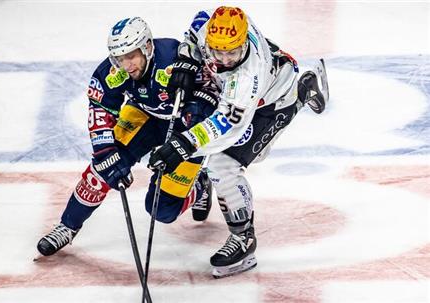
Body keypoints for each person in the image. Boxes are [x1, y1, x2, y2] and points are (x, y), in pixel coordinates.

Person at [149, 6, 329, 278]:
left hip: (270, 101)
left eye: (231, 52)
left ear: (244, 44)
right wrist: (187, 58)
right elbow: (196, 25)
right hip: (237, 86)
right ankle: (202, 181)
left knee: (223, 165)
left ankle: (244, 238)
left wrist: (181, 146)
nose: (223, 58)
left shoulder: (246, 78)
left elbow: (225, 125)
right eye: (217, 51)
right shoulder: (213, 29)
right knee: (202, 132)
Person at [36, 17, 218, 257]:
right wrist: (106, 153)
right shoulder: (113, 72)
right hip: (145, 116)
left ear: (148, 47)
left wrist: (196, 111)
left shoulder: (176, 58)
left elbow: (214, 89)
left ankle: (200, 187)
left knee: (162, 210)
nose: (127, 65)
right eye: (120, 58)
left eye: (131, 56)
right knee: (102, 168)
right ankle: (67, 226)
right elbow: (99, 110)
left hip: (184, 128)